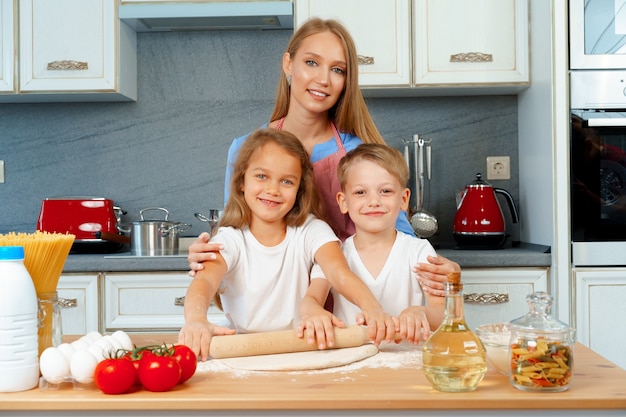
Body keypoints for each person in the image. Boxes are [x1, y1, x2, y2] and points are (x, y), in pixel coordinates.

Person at [187, 17, 450, 295]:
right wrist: (206, 254)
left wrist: (442, 269)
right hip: (272, 303)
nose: (323, 79)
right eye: (311, 62)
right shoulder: (244, 149)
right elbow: (235, 230)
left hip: (347, 304)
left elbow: (399, 238)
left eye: (337, 69)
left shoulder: (356, 152)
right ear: (288, 63)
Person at [178, 128, 397, 361]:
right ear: (242, 181)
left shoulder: (311, 231)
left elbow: (338, 272)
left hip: (302, 349)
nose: (273, 190)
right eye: (261, 176)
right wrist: (196, 320)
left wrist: (372, 309)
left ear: (299, 190)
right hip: (242, 353)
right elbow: (203, 282)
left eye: (286, 181)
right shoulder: (230, 240)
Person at [310, 144, 446, 344]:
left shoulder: (418, 251)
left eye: (385, 191)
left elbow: (441, 313)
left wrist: (420, 312)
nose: (374, 201)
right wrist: (313, 313)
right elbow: (312, 299)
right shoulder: (335, 255)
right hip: (351, 365)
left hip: (406, 364)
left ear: (404, 198)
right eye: (360, 192)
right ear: (343, 201)